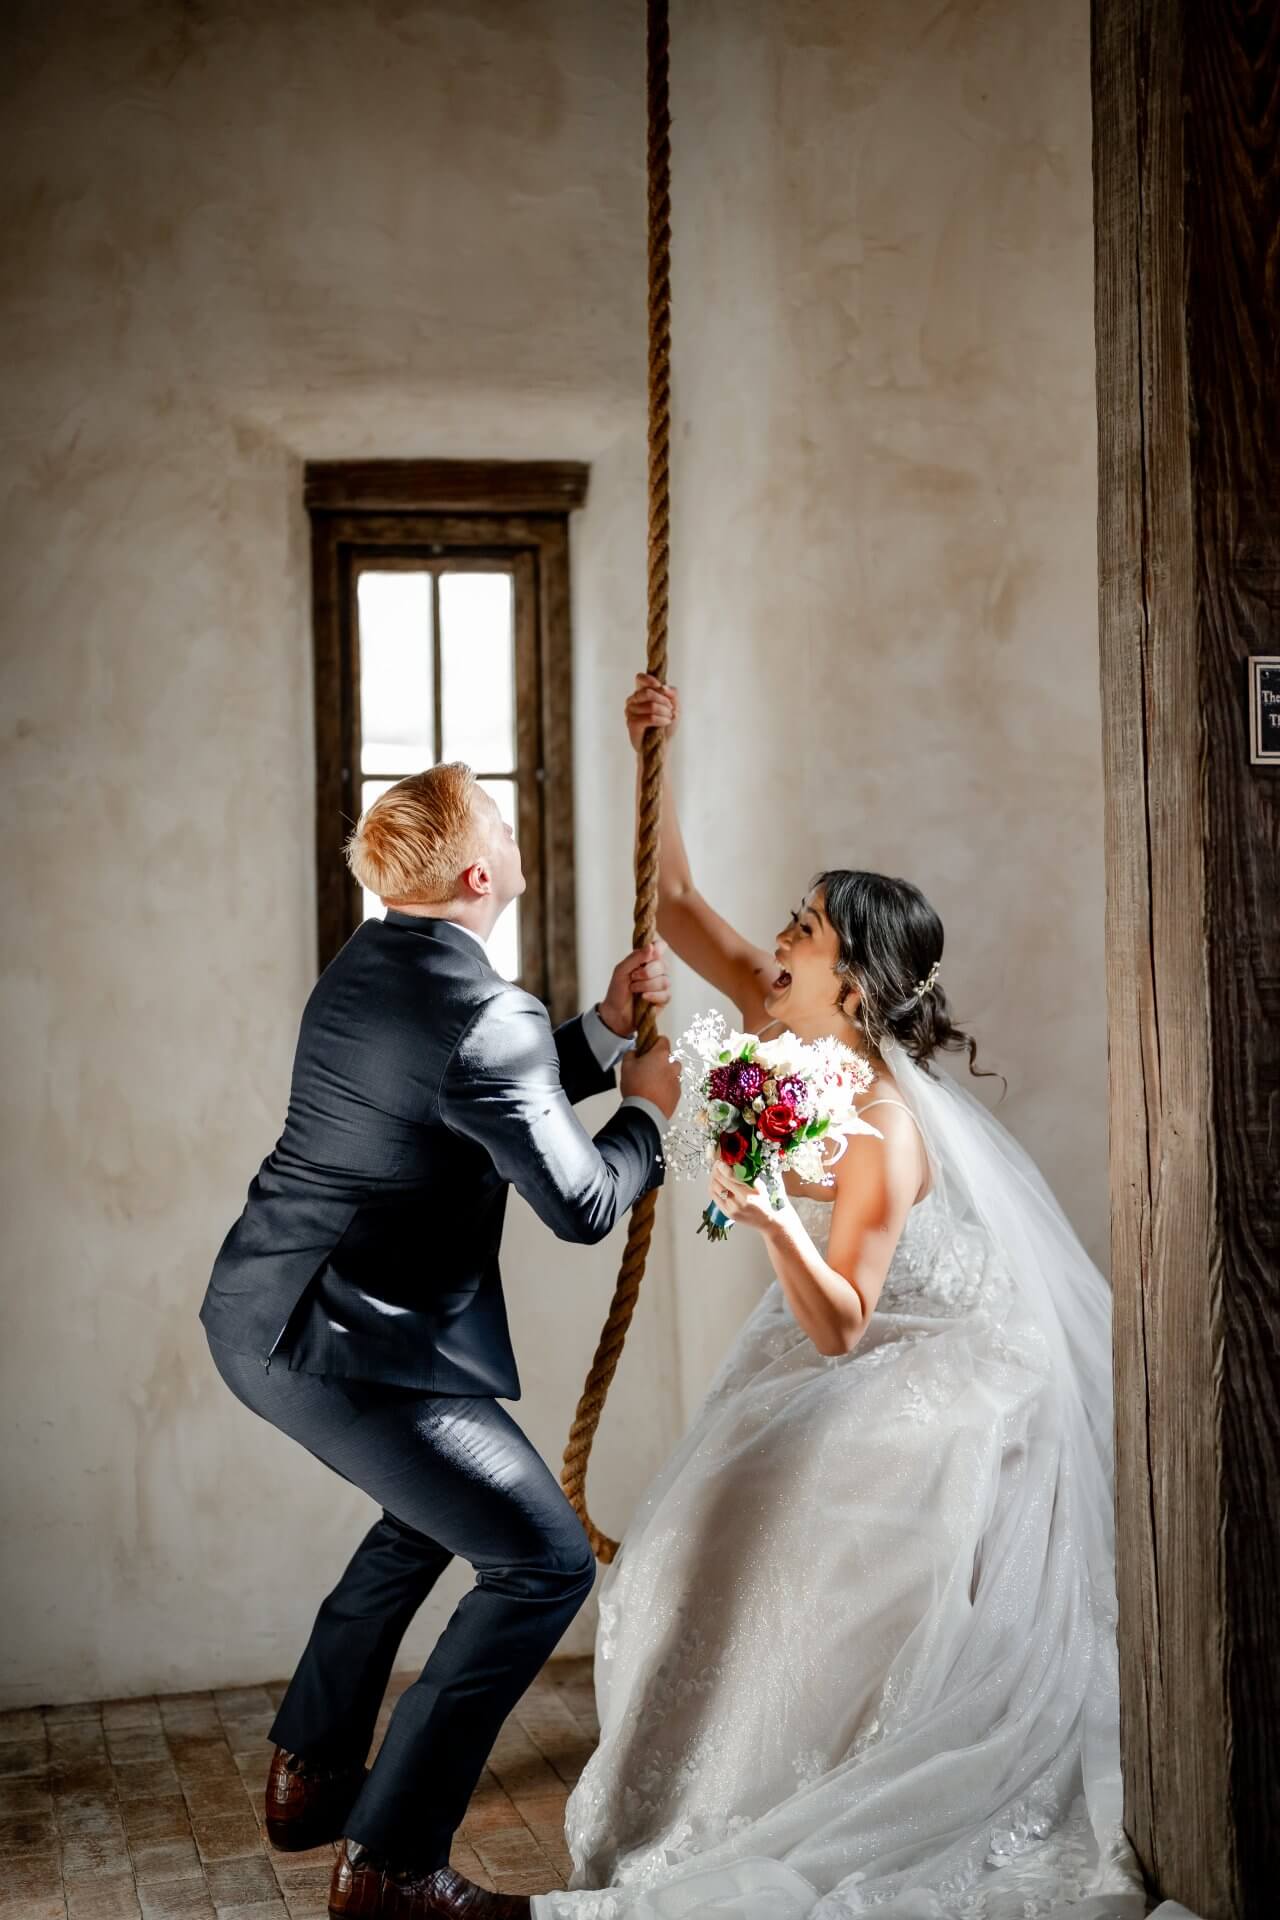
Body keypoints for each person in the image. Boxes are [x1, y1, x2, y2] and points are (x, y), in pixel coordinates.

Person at [531, 679, 1151, 1920]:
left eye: (806, 928)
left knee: (783, 1532)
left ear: (853, 989)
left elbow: (842, 1326)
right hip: (833, 1330)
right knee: (686, 1532)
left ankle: (778, 1795)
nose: (781, 935)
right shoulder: (780, 997)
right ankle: (671, 1799)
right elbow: (672, 904)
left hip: (918, 1357)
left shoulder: (878, 1123)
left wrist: (762, 1209)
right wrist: (651, 747)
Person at [200, 761, 682, 1920]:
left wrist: (603, 1033)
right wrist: (650, 1116)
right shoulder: (480, 1007)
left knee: (425, 1523)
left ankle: (308, 1778)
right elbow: (577, 1204)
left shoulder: (370, 965)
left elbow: (465, 1097)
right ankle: (391, 1867)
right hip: (342, 1345)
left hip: (266, 1311)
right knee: (544, 1563)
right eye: (506, 829)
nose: (516, 840)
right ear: (480, 873)